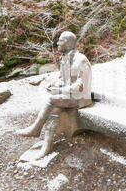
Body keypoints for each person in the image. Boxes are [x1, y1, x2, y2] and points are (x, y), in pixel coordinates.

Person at [17, 31, 92, 160]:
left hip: (80, 98)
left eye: (60, 41)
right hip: (67, 97)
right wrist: (55, 85)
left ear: (68, 43)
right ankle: (47, 146)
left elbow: (81, 87)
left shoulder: (81, 60)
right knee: (54, 109)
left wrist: (59, 91)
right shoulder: (64, 58)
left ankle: (35, 129)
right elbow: (62, 79)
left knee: (52, 99)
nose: (57, 43)